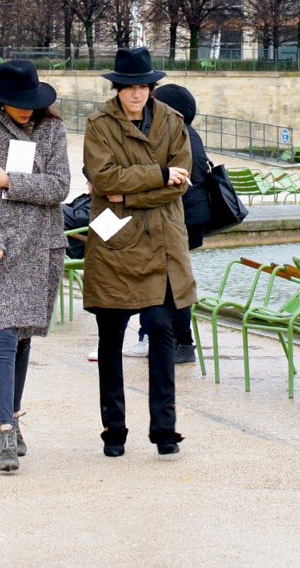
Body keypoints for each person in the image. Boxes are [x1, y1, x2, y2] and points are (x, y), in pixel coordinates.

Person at [82, 47, 198, 459]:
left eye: (143, 86)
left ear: (152, 86)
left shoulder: (172, 121)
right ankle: (114, 431)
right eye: (129, 87)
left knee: (163, 334)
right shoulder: (98, 124)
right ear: (118, 88)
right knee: (110, 340)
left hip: (163, 243)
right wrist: (159, 176)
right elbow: (102, 178)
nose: (136, 94)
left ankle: (165, 431)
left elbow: (181, 182)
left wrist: (127, 195)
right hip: (116, 245)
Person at [0, 59, 70, 473]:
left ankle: (15, 415)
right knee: (2, 335)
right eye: (17, 103)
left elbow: (59, 187)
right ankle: (5, 427)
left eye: (30, 102)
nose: (26, 110)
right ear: (0, 101)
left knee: (23, 336)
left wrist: (10, 183)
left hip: (41, 245)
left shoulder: (52, 129)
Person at [125, 84, 211, 366]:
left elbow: (174, 186)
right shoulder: (186, 135)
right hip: (183, 221)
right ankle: (156, 337)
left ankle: (180, 341)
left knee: (172, 283)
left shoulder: (178, 137)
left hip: (175, 222)